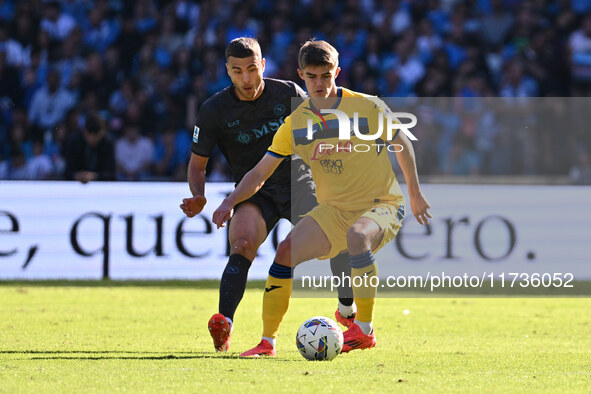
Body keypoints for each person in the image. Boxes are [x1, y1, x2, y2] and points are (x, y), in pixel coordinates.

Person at [212, 40, 431, 357]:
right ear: (301, 75)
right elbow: (259, 173)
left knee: (358, 236)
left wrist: (414, 194)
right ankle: (267, 342)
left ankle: (364, 331)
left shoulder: (367, 107)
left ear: (337, 73)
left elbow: (402, 143)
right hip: (333, 211)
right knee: (285, 252)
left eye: (326, 76)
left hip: (381, 205)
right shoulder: (296, 122)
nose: (319, 83)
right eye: (312, 76)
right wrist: (229, 201)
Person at [179, 38, 353, 353]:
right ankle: (225, 324)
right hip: (253, 191)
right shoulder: (214, 110)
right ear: (227, 71)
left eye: (251, 69)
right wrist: (199, 195)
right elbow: (196, 165)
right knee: (242, 244)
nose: (246, 79)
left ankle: (347, 309)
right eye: (237, 71)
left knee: (336, 240)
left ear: (262, 64)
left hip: (300, 184)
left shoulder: (288, 93)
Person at [64, 112, 115, 183]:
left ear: (102, 133)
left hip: (101, 186)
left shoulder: (107, 143)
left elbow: (111, 173)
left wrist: (95, 176)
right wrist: (76, 175)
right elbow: (67, 171)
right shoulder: (73, 141)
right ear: (84, 132)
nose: (94, 140)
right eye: (91, 136)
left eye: (97, 137)